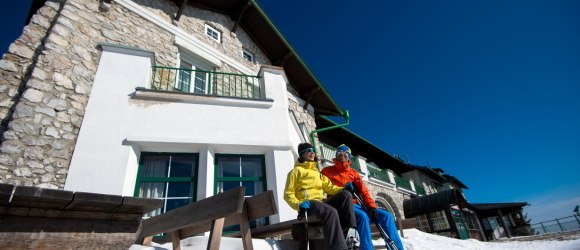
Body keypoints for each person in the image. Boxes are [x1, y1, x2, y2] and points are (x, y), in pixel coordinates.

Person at [321, 144, 405, 250]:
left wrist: (372, 206)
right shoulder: (327, 171)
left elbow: (364, 191)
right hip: (342, 206)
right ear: (336, 155)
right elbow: (324, 187)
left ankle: (397, 248)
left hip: (358, 205)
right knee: (362, 216)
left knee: (387, 216)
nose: (342, 154)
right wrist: (342, 190)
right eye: (339, 152)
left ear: (349, 156)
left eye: (345, 152)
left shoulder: (353, 173)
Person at [284, 142, 357, 250]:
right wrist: (299, 205)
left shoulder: (317, 172)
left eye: (313, 150)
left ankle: (350, 232)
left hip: (321, 202)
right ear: (302, 154)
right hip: (308, 204)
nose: (312, 152)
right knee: (331, 211)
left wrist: (344, 189)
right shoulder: (295, 172)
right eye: (309, 151)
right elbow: (288, 194)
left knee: (345, 195)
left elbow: (329, 187)